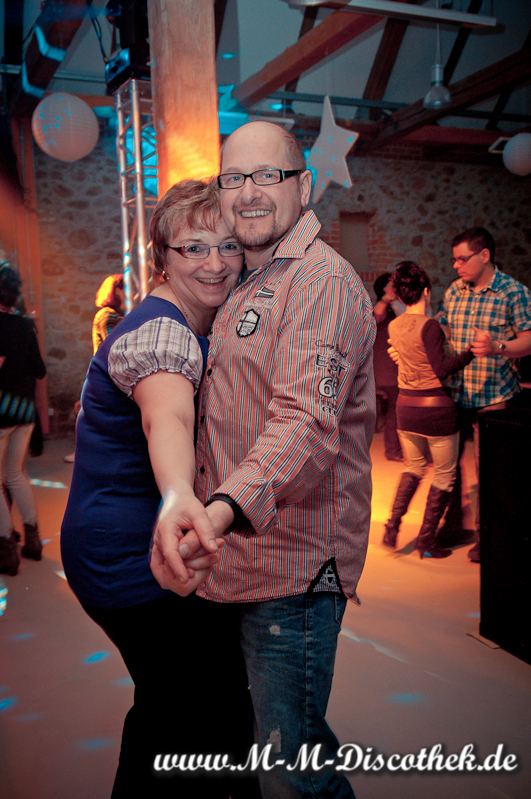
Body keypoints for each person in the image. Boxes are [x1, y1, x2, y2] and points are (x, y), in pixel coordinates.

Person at [152, 121, 376, 799]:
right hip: (238, 565)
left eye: (267, 175)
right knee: (265, 754)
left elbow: (304, 425)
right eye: (234, 178)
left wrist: (219, 510)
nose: (249, 192)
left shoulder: (320, 282)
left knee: (292, 772)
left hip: (293, 572)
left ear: (303, 187)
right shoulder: (247, 279)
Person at [60, 180, 258, 798]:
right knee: (192, 707)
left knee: (185, 701)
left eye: (228, 246)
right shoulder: (160, 331)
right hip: (130, 557)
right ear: (162, 257)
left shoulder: (205, 320)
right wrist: (177, 493)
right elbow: (165, 412)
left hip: (140, 545)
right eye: (194, 247)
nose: (215, 263)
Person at [438, 227, 531, 562]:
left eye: (462, 259)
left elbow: (529, 339)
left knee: (489, 472)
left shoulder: (513, 292)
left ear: (484, 255)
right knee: (449, 469)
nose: (456, 266)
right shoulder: (455, 290)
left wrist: (498, 347)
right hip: (457, 392)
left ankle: (487, 536)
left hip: (494, 395)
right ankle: (454, 526)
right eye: (454, 260)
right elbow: (443, 328)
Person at [384, 262, 475, 558]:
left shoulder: (395, 325)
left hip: (405, 408)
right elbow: (441, 369)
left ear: (400, 295)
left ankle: (392, 526)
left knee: (413, 467)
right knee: (445, 475)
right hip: (435, 409)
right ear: (426, 291)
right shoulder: (429, 326)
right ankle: (426, 540)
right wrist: (469, 353)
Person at [0, 262, 46, 575]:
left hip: (1, 412)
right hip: (24, 411)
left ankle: (6, 550)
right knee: (15, 474)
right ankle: (33, 541)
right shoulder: (23, 325)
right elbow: (39, 370)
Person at [64, 275, 126, 464]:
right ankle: (85, 455)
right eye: (125, 288)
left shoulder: (108, 314)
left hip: (105, 374)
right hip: (109, 375)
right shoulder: (109, 315)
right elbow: (116, 347)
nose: (129, 292)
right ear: (116, 291)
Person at [373, 272, 403, 461]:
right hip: (387, 368)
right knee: (395, 408)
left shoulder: (396, 306)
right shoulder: (380, 306)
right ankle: (392, 450)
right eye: (391, 284)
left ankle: (396, 449)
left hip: (392, 366)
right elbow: (375, 316)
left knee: (396, 408)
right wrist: (386, 298)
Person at [92, 274, 125, 354]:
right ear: (118, 291)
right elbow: (114, 347)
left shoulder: (116, 314)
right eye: (131, 289)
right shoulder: (108, 314)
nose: (134, 293)